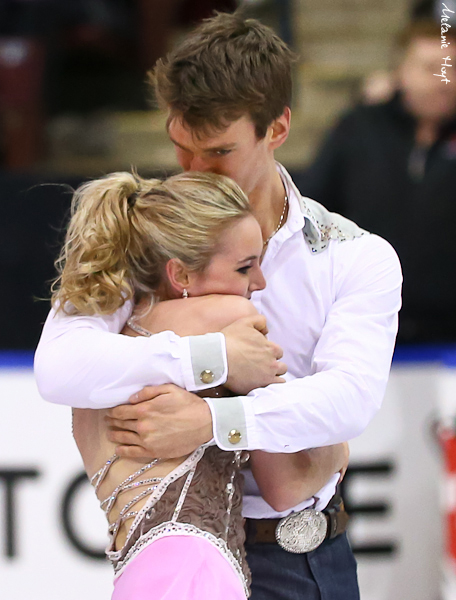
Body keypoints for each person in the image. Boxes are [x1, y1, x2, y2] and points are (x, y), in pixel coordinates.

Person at [35, 12, 402, 600]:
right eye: (182, 147)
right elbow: (60, 368)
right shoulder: (144, 234)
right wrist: (211, 358)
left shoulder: (355, 257)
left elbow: (348, 400)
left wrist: (214, 421)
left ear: (277, 129)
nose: (196, 170)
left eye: (219, 150)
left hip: (302, 558)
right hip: (181, 559)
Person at [53, 169, 348, 599]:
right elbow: (287, 485)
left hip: (139, 575)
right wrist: (337, 448)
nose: (260, 283)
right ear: (182, 276)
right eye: (246, 266)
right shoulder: (231, 321)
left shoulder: (96, 357)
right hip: (196, 572)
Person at [300, 19, 456, 343]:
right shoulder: (359, 128)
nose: (445, 81)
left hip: (447, 333)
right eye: (431, 69)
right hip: (364, 325)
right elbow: (311, 208)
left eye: (453, 69)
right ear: (400, 71)